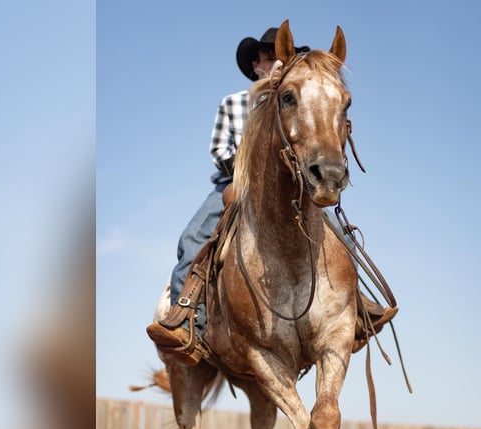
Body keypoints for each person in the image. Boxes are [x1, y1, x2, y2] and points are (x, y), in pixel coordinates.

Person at [147, 26, 396, 363]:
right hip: (236, 183)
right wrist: (249, 164)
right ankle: (186, 318)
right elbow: (219, 149)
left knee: (339, 237)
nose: (278, 63)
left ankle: (356, 306)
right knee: (193, 237)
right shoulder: (234, 103)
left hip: (289, 185)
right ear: (256, 66)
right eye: (269, 58)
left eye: (283, 58)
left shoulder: (299, 97)